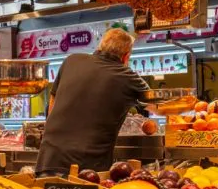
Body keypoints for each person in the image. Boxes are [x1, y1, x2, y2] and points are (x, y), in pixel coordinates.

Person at [36, 28, 150, 176]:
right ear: (126, 57)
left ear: (99, 46)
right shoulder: (127, 76)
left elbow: (53, 101)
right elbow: (157, 104)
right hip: (87, 167)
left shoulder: (72, 60)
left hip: (49, 159)